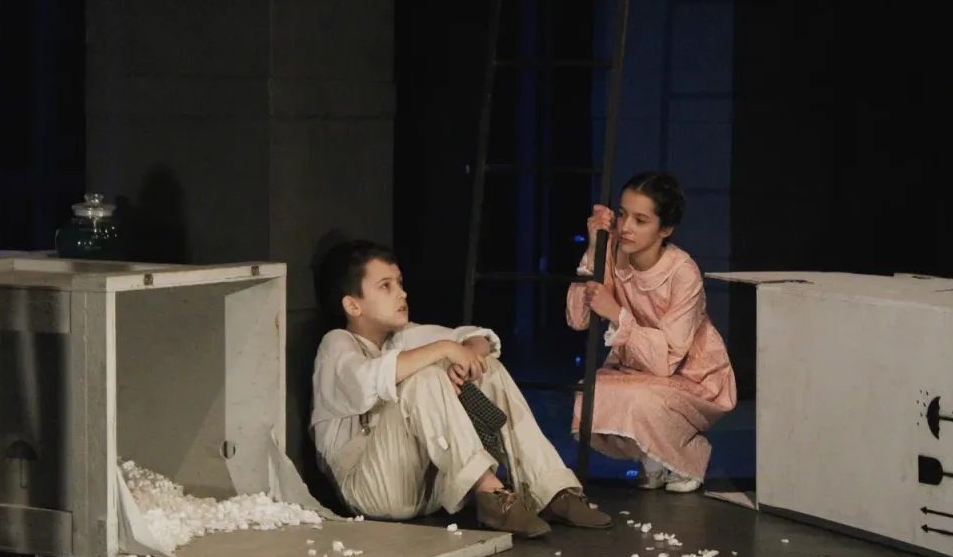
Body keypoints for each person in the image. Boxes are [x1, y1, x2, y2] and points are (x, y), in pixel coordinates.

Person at [311, 240, 612, 538]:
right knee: (424, 378)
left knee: (485, 367)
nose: (402, 293)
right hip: (370, 490)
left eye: (400, 283)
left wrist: (465, 356)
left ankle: (551, 490)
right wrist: (444, 350)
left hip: (424, 488)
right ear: (353, 305)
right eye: (385, 286)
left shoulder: (400, 337)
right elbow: (366, 379)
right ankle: (490, 492)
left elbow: (480, 338)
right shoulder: (336, 344)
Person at [566, 172, 737, 493]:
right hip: (635, 363)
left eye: (641, 220)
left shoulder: (682, 271)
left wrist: (616, 314)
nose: (626, 227)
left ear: (665, 230)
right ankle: (654, 457)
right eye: (622, 214)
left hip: (690, 371)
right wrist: (594, 250)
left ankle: (686, 456)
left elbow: (667, 360)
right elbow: (578, 318)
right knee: (591, 394)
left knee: (641, 399)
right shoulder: (614, 250)